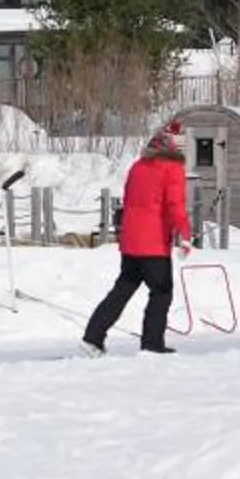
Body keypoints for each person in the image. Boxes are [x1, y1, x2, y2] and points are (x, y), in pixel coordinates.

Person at [85, 127, 193, 355]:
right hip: (153, 244)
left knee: (122, 289)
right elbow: (175, 205)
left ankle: (93, 336)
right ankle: (152, 343)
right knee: (161, 292)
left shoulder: (138, 166)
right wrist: (184, 234)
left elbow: (129, 200)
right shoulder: (172, 169)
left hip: (131, 241)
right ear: (174, 147)